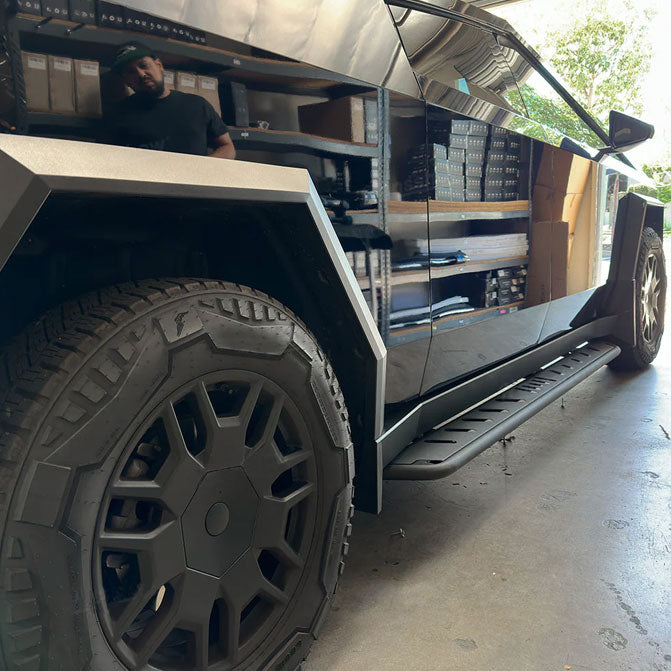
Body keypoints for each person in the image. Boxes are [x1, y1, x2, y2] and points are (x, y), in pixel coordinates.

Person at [108, 41, 236, 159]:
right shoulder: (117, 115)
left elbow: (227, 147)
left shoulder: (197, 105)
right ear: (126, 81)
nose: (141, 74)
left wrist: (200, 170)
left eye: (144, 65)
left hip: (194, 182)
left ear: (159, 65)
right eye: (131, 72)